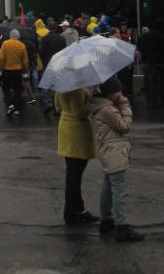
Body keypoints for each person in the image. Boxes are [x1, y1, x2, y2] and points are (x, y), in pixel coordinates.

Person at [88, 77, 145, 242]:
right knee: (120, 190)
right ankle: (122, 226)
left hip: (108, 152)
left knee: (108, 187)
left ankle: (106, 219)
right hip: (115, 153)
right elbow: (125, 126)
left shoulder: (100, 107)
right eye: (118, 91)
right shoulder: (108, 110)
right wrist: (125, 105)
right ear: (112, 93)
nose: (121, 93)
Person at [56, 87, 97, 225]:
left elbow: (57, 106)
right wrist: (91, 99)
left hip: (66, 128)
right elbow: (79, 112)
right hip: (77, 133)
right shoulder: (77, 89)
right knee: (74, 176)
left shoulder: (62, 85)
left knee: (73, 174)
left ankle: (75, 210)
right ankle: (73, 213)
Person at [136, 18, 164, 107]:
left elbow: (143, 48)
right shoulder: (163, 36)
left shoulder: (147, 36)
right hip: (162, 61)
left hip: (151, 62)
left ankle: (153, 100)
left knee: (153, 81)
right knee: (163, 81)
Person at [0, 28, 29, 116]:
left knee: (6, 88)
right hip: (18, 71)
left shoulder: (5, 44)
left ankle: (10, 104)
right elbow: (25, 61)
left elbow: (1, 59)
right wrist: (25, 70)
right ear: (18, 37)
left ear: (10, 36)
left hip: (7, 71)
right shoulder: (22, 45)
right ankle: (17, 109)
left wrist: (1, 69)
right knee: (18, 90)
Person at [39, 22, 66, 113]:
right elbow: (64, 52)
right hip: (59, 64)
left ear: (48, 28)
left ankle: (48, 103)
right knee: (58, 85)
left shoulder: (45, 39)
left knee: (45, 84)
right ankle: (58, 105)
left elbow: (41, 52)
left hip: (48, 64)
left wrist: (44, 60)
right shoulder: (62, 38)